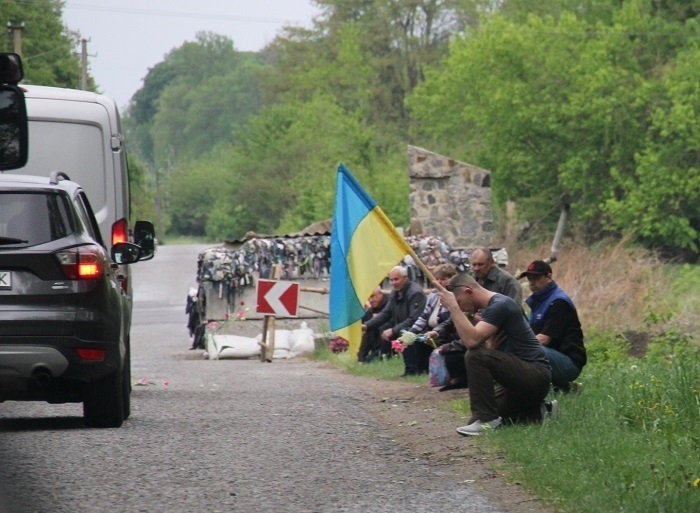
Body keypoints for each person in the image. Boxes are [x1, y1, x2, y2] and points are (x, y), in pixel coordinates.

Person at [435, 273, 552, 436]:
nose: (460, 307)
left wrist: (453, 308)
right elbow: (490, 349)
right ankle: (539, 412)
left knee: (474, 355)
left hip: (536, 376)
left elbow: (472, 341)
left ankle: (487, 420)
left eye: (459, 302)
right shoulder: (492, 307)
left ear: (469, 292)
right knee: (475, 419)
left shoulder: (500, 305)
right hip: (518, 381)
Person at [427, 248, 523, 389]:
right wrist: (438, 330)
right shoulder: (471, 280)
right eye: (474, 265)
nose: (476, 268)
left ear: (491, 263)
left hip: (501, 335)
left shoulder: (508, 282)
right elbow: (461, 312)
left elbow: (513, 313)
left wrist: (486, 325)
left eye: (480, 264)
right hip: (479, 332)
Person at [518, 260, 586, 393]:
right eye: (529, 278)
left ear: (549, 277)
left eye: (536, 278)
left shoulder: (558, 302)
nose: (532, 282)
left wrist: (518, 345)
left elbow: (544, 339)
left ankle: (545, 390)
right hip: (554, 357)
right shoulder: (540, 301)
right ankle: (562, 388)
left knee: (529, 350)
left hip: (569, 363)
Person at [362, 266, 427, 369]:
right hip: (403, 327)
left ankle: (412, 370)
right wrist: (366, 326)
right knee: (385, 328)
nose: (393, 283)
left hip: (419, 331)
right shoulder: (395, 293)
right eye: (391, 280)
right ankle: (384, 361)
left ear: (405, 277)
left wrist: (394, 330)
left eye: (396, 279)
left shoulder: (416, 293)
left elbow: (414, 319)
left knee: (404, 332)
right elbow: (386, 313)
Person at [401, 263, 457, 375]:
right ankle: (419, 370)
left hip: (447, 334)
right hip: (429, 332)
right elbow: (423, 317)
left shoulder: (454, 296)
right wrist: (410, 334)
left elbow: (451, 321)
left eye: (443, 279)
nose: (440, 282)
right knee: (415, 339)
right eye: (437, 279)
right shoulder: (433, 296)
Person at [357, 286, 390, 363]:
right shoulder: (371, 311)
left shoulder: (390, 304)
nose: (370, 300)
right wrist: (361, 357)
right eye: (368, 298)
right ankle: (363, 359)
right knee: (368, 326)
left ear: (380, 294)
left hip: (390, 343)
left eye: (372, 296)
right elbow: (366, 333)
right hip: (376, 345)